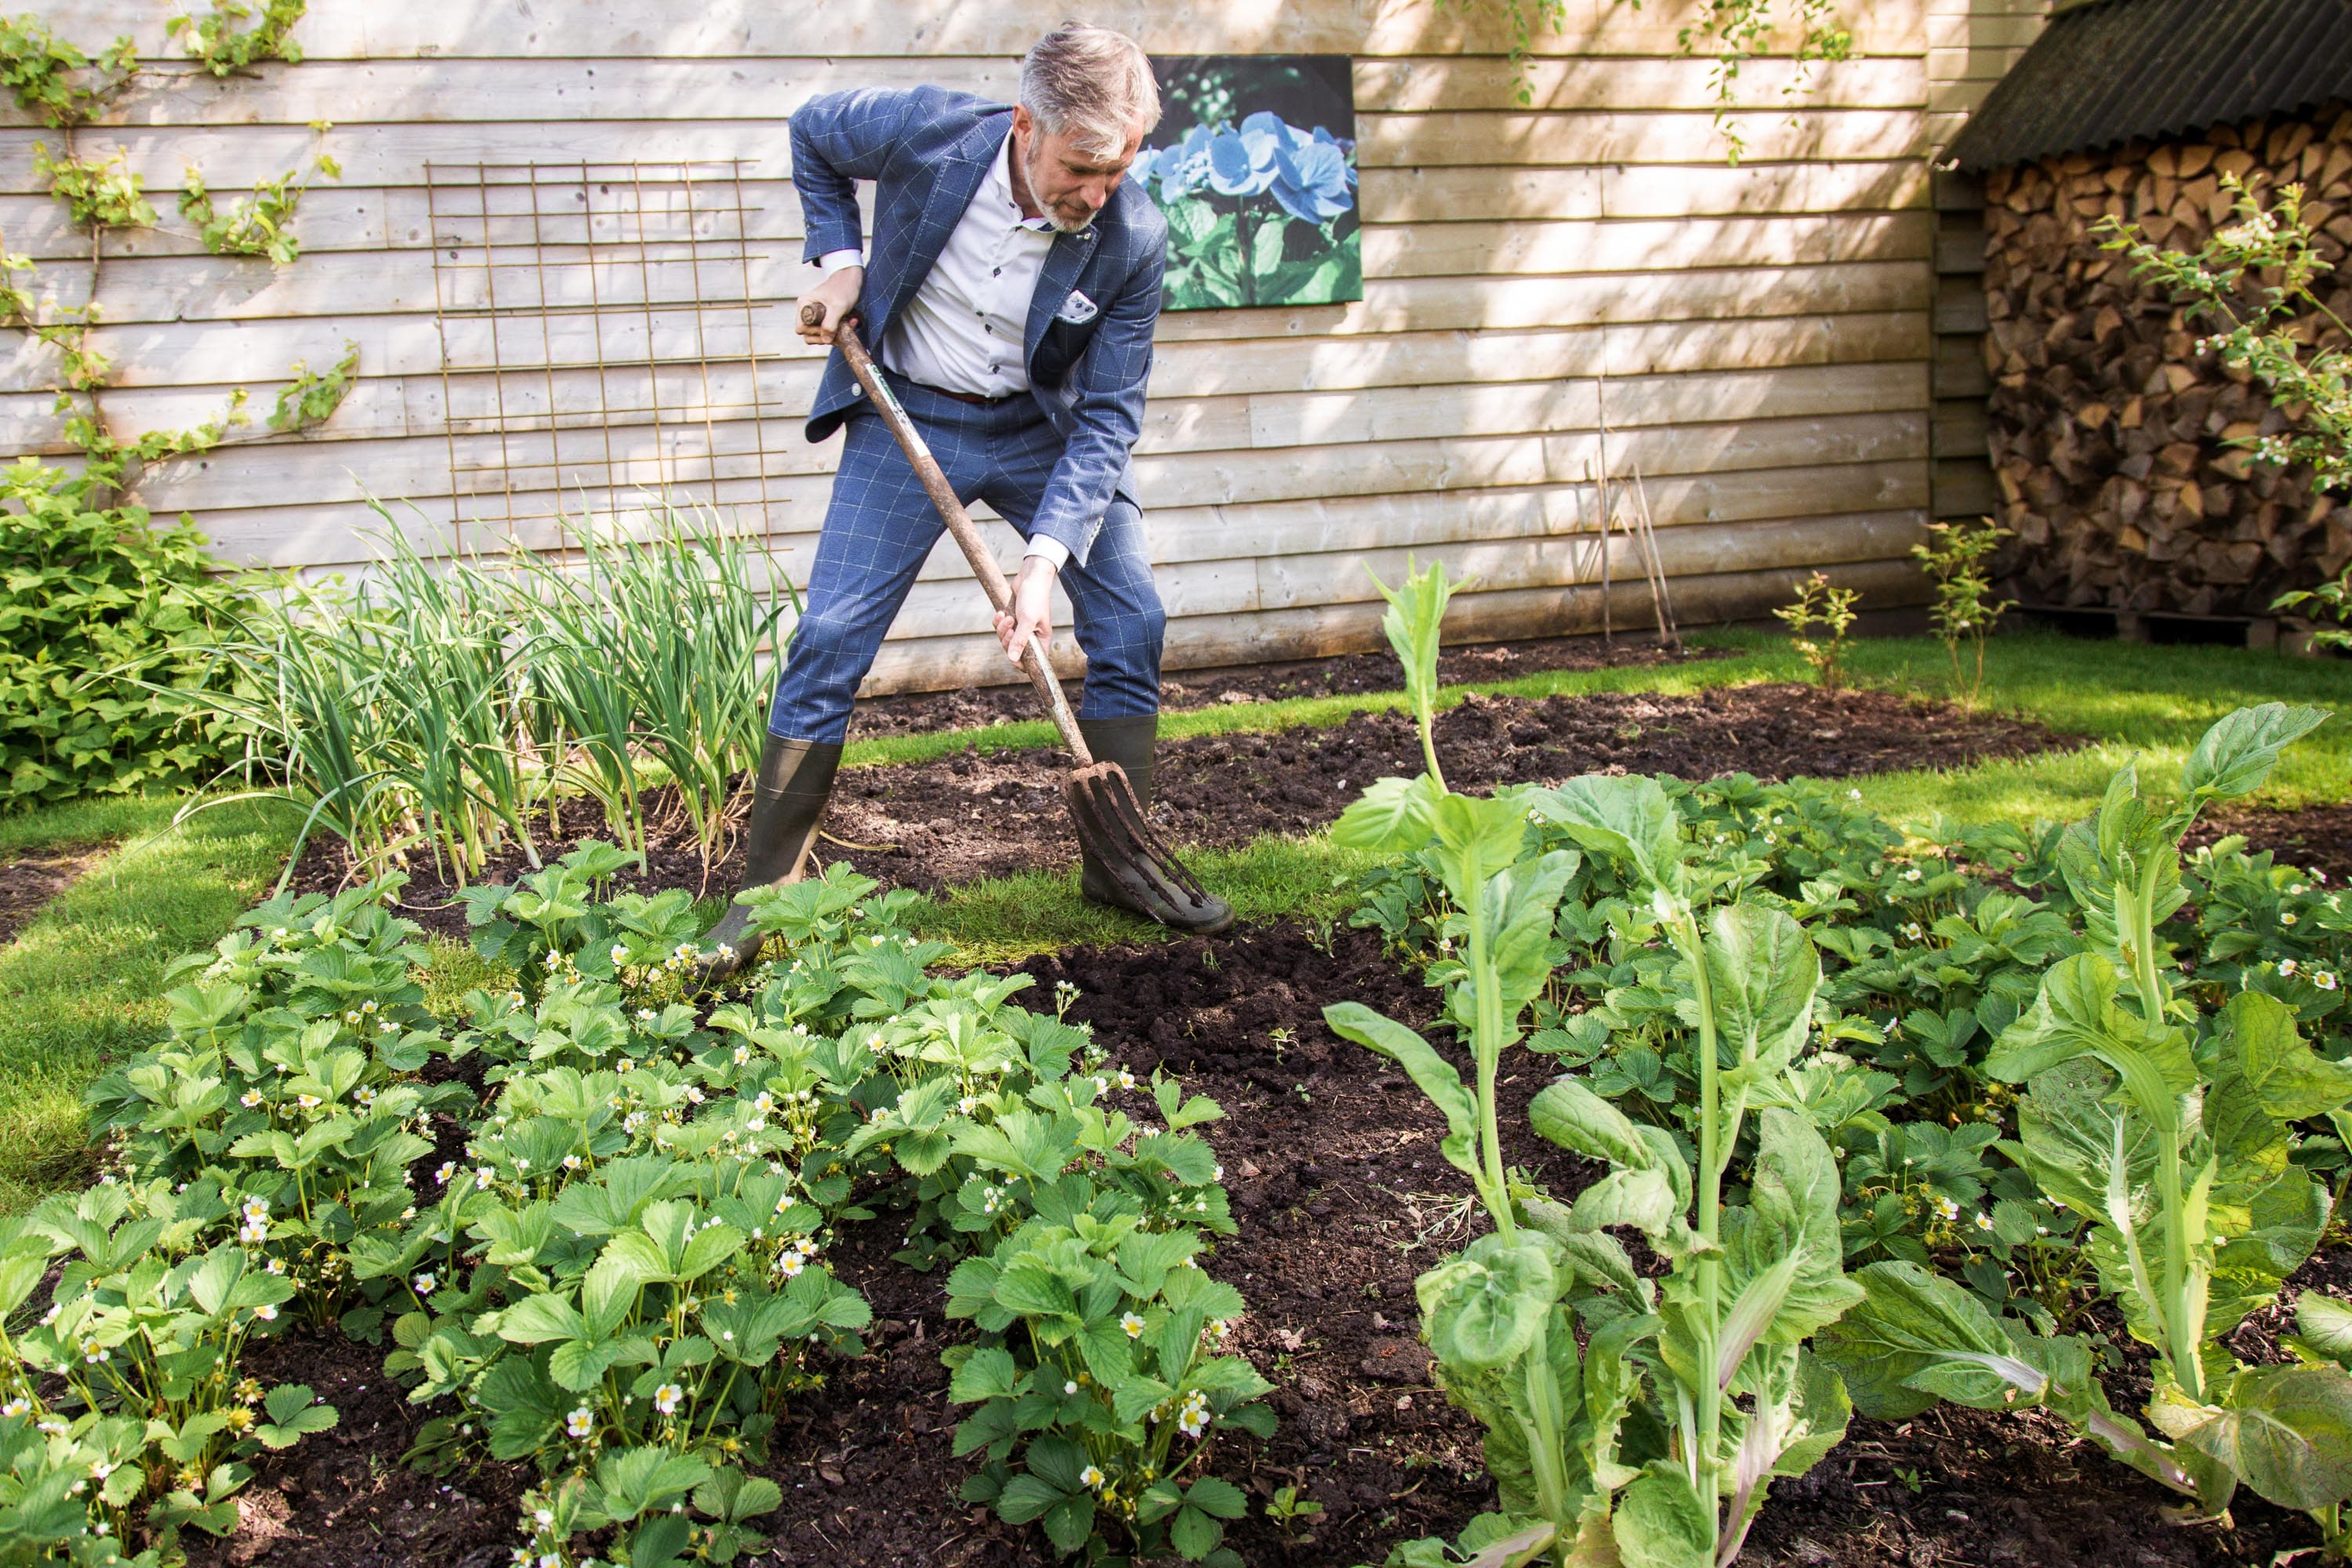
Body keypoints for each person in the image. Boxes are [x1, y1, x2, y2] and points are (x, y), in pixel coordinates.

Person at [697, 21, 1231, 982]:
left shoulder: (1132, 235)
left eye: (1119, 170)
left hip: (1046, 430)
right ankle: (758, 899)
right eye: (1082, 167)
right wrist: (838, 261)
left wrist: (1042, 562)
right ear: (1027, 125)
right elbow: (813, 131)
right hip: (910, 411)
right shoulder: (926, 134)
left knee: (1132, 615)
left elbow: (1108, 418)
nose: (1099, 193)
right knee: (828, 639)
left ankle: (1121, 863)